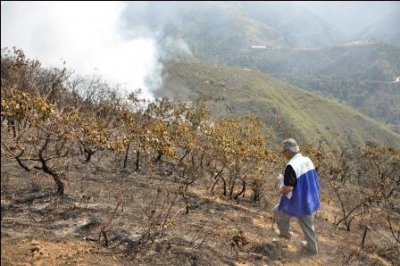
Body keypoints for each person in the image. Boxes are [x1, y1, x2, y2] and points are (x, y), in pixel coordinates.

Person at [273, 138, 320, 254]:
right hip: (310, 198)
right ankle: (312, 247)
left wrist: (280, 189)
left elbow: (289, 188)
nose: (283, 154)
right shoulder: (307, 160)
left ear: (288, 151)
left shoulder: (291, 166)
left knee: (278, 211)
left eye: (283, 152)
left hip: (297, 200)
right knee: (308, 225)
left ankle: (286, 234)